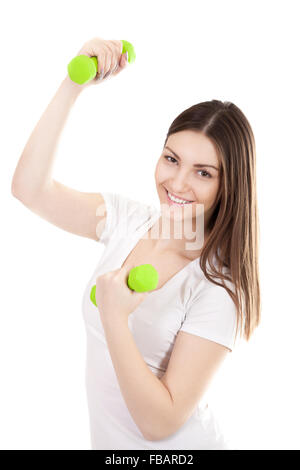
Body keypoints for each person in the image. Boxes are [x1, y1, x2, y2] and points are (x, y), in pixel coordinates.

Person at [11, 37, 261, 450]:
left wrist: (114, 317)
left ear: (229, 185)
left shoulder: (218, 287)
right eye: (171, 159)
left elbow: (158, 424)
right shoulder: (128, 220)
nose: (177, 183)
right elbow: (29, 189)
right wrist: (73, 84)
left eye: (203, 173)